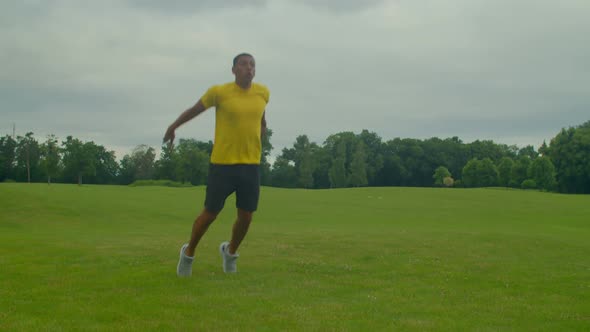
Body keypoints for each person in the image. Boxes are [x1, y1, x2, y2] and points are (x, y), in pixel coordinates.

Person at [163, 53, 269, 276]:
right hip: (222, 164)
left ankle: (230, 252)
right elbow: (194, 110)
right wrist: (173, 127)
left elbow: (261, 120)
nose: (248, 68)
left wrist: (259, 139)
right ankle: (188, 253)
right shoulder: (219, 93)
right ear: (233, 70)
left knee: (246, 216)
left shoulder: (263, 93)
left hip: (250, 165)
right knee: (210, 213)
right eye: (243, 64)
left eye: (252, 65)